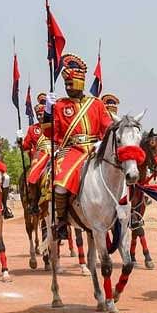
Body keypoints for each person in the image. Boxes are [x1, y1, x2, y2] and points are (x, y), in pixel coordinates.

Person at [50, 53, 113, 239]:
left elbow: (107, 126)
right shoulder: (60, 105)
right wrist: (47, 113)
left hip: (95, 149)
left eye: (71, 84)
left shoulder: (96, 104)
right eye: (66, 85)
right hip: (73, 150)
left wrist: (102, 142)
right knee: (60, 182)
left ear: (81, 83)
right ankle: (61, 220)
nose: (68, 88)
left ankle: (126, 212)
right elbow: (50, 132)